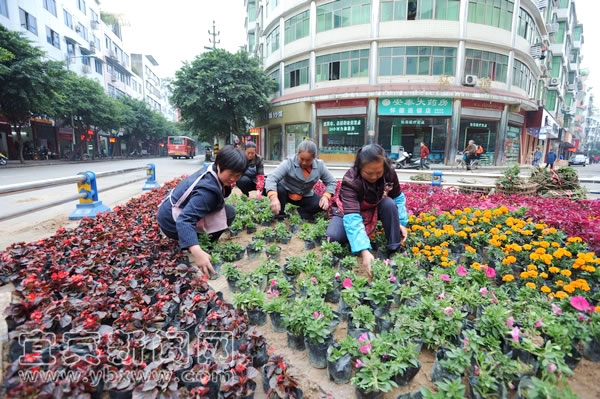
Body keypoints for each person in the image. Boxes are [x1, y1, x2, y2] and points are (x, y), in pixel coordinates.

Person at [157, 145, 247, 275]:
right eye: (231, 174)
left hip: (169, 211)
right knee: (228, 214)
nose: (233, 179)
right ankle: (203, 248)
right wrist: (197, 252)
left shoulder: (212, 170)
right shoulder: (207, 192)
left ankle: (196, 241)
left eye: (237, 175)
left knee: (227, 211)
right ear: (220, 166)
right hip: (171, 222)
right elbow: (184, 220)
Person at [326, 144, 409, 275]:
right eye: (369, 173)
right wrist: (364, 251)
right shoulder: (351, 180)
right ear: (359, 168)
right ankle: (356, 241)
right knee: (334, 236)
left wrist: (400, 223)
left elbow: (398, 197)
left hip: (374, 207)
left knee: (389, 203)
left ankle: (394, 248)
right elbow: (352, 216)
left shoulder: (389, 173)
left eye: (378, 172)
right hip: (347, 211)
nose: (374, 176)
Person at [265, 140, 336, 220]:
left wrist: (326, 196)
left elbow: (331, 182)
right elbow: (271, 178)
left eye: (308, 160)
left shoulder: (320, 166)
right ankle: (280, 214)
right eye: (301, 159)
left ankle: (301, 213)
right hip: (286, 194)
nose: (304, 163)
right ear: (297, 154)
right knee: (279, 189)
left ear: (314, 158)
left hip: (305, 195)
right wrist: (274, 198)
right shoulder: (289, 163)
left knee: (320, 203)